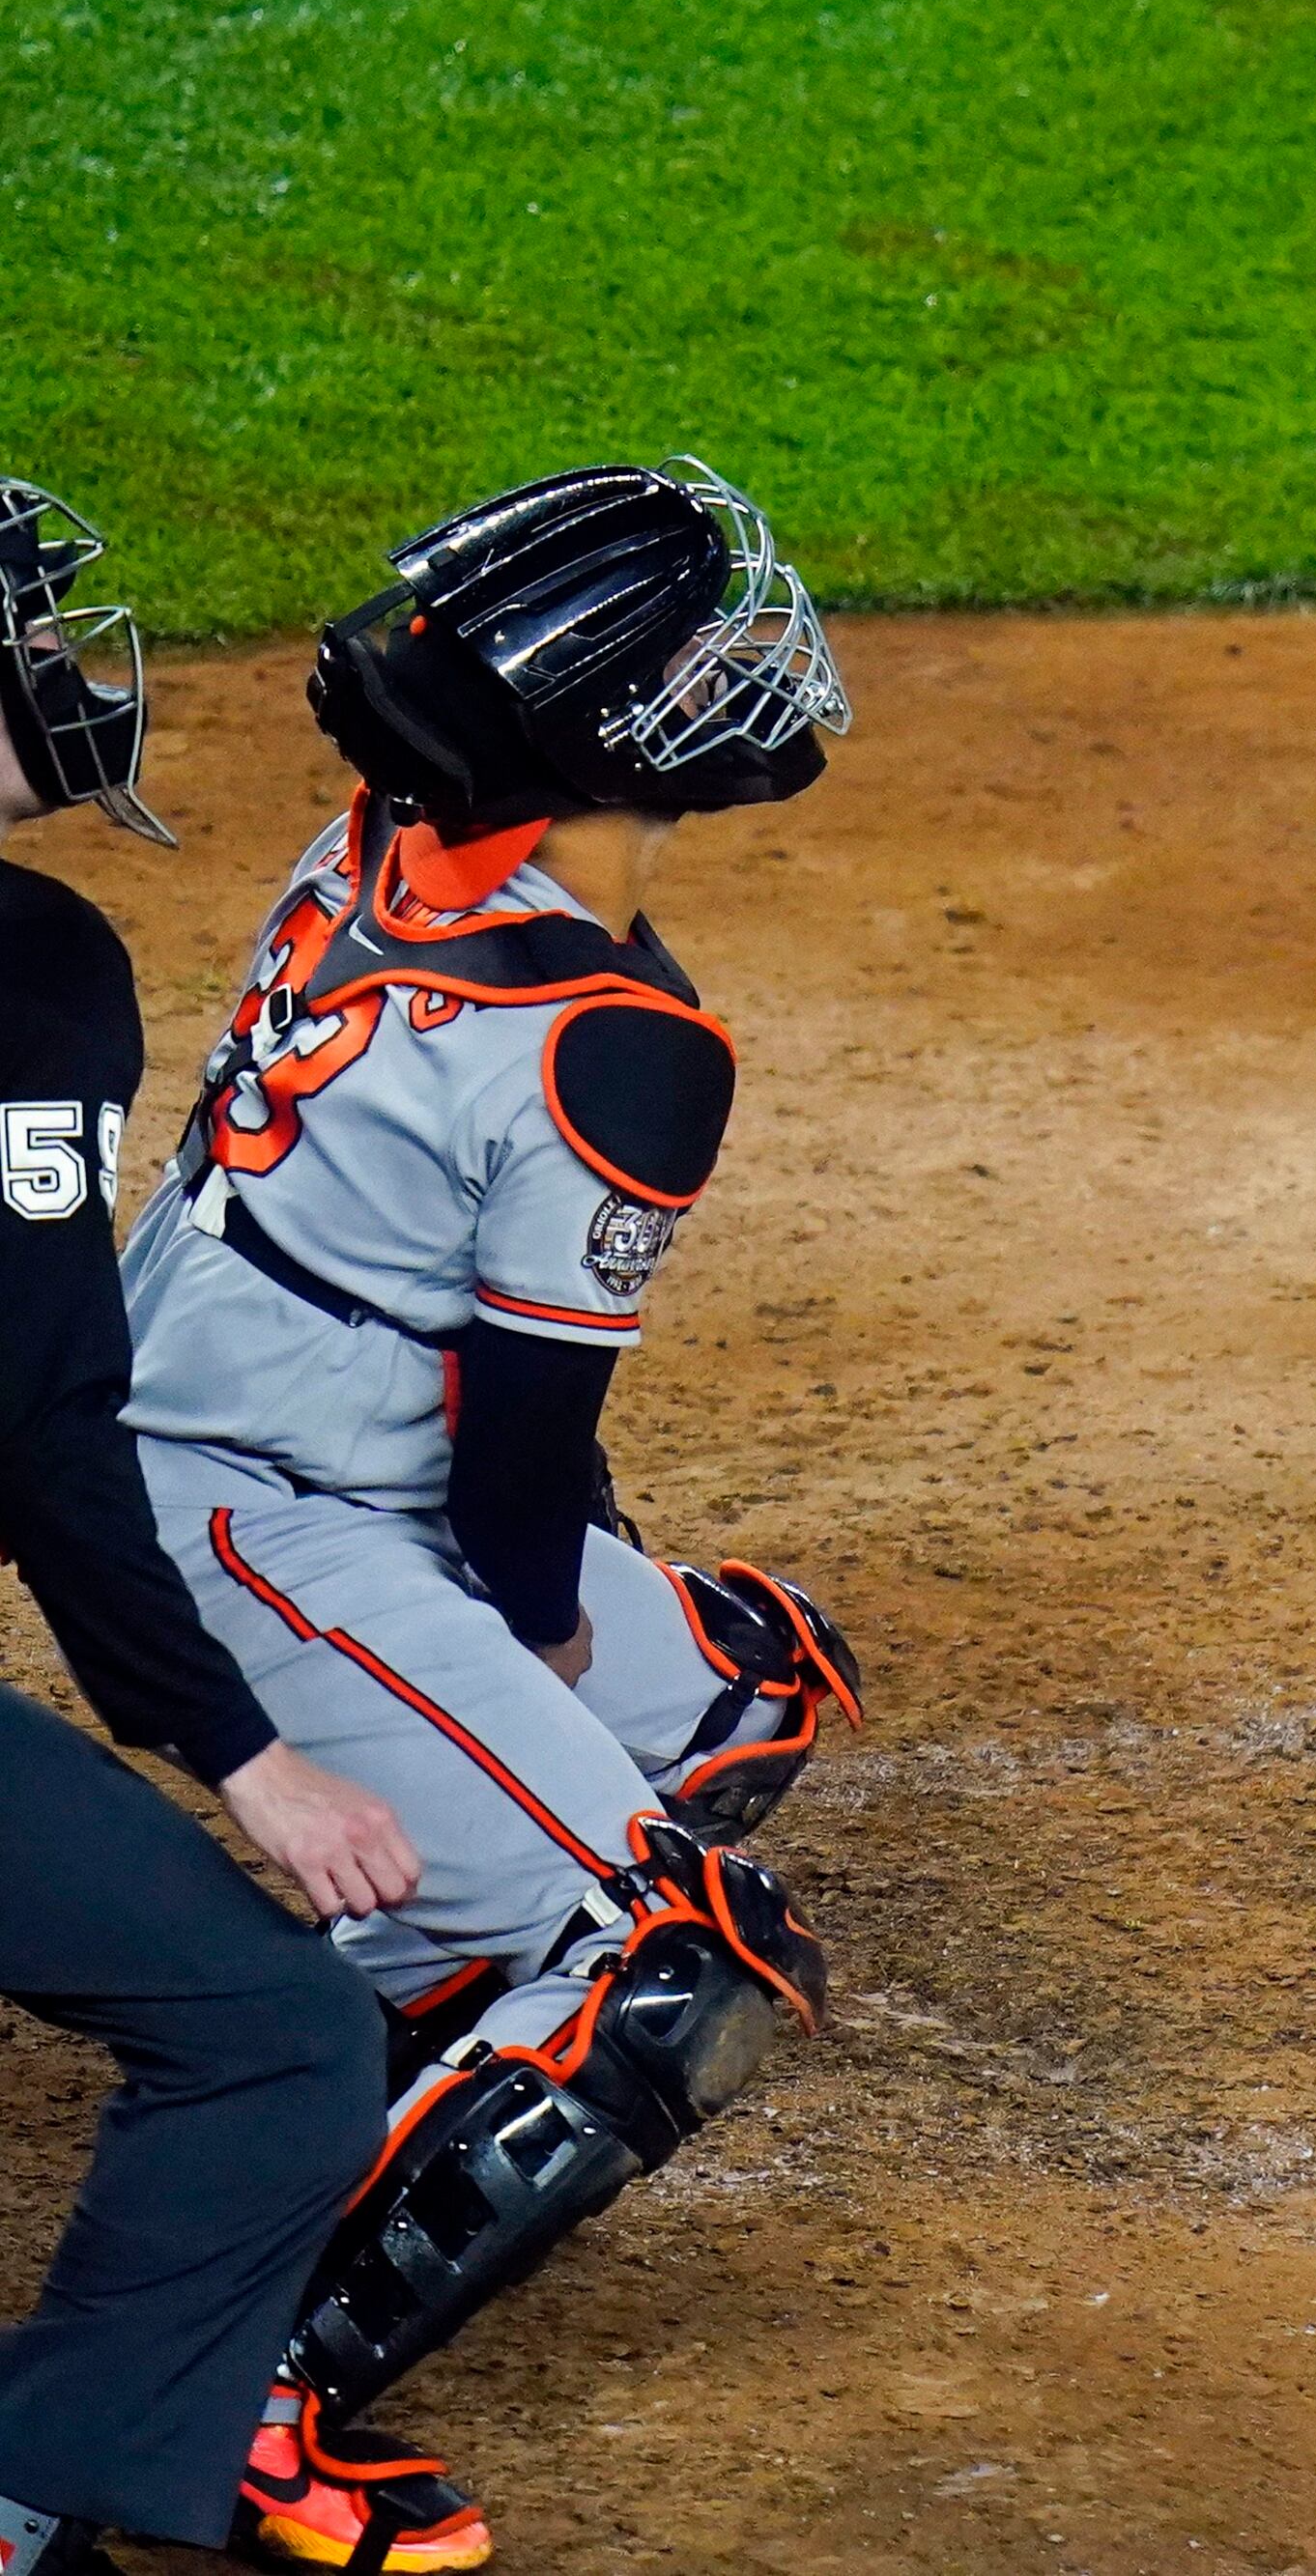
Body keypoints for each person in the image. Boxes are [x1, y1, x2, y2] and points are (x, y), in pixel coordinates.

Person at [128, 460, 863, 2478]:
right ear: (605, 731)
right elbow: (526, 1467)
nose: (745, 662)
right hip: (255, 1507)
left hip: (278, 1415)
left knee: (747, 1680)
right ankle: (227, 2379)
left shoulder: (398, 833)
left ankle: (413, 1981)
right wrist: (519, 1647)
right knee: (669, 1958)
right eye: (696, 649)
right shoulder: (626, 1048)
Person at [0, 477, 493, 2575]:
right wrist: (240, 1746)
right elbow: (30, 1418)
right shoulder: (23, 978)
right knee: (279, 2033)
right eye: (19, 633)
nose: (61, 668)